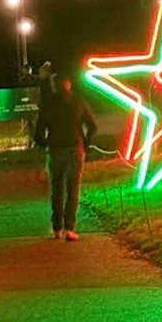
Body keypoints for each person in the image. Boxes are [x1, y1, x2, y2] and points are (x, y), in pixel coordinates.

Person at [33, 73, 97, 241]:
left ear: (54, 85)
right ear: (68, 84)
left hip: (55, 149)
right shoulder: (78, 102)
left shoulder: (48, 104)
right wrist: (85, 143)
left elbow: (38, 132)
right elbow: (92, 126)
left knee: (57, 189)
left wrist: (46, 142)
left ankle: (57, 228)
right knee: (73, 188)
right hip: (74, 148)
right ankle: (70, 227)